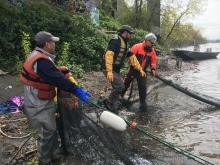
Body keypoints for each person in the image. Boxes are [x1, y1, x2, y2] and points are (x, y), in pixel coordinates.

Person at [19, 31, 91, 165]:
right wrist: (76, 90)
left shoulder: (40, 56)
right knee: (46, 131)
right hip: (37, 101)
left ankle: (53, 155)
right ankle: (44, 160)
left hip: (41, 98)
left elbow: (54, 76)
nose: (54, 44)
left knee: (50, 128)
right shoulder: (42, 62)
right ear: (47, 44)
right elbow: (58, 79)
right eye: (52, 42)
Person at [101, 25, 146, 114]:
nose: (130, 35)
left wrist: (140, 69)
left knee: (118, 88)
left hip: (116, 70)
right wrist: (109, 71)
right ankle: (108, 102)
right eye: (130, 34)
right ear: (126, 32)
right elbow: (108, 56)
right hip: (108, 68)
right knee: (120, 86)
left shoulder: (126, 45)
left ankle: (114, 108)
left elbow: (133, 59)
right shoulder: (115, 41)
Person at [120, 33, 158, 109]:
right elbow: (128, 57)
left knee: (143, 87)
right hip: (133, 69)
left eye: (153, 43)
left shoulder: (152, 50)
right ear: (146, 40)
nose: (152, 45)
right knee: (126, 83)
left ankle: (142, 103)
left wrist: (153, 69)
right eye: (151, 43)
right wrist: (133, 65)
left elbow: (153, 61)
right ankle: (120, 96)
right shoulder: (137, 47)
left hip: (143, 71)